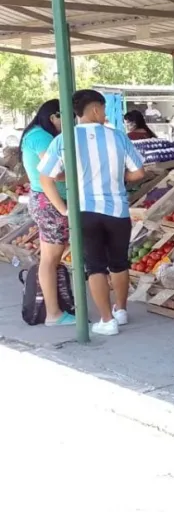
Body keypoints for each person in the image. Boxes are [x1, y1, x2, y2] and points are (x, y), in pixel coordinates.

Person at [38, 90, 146, 336]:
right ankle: (121, 310)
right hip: (117, 210)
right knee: (119, 262)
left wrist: (63, 209)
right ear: (95, 109)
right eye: (104, 109)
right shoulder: (117, 136)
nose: (105, 114)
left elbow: (47, 177)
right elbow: (139, 172)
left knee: (95, 267)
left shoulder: (64, 140)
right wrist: (118, 177)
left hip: (84, 211)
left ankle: (107, 321)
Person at [19, 99, 74, 327]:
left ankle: (54, 309)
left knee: (49, 259)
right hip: (50, 202)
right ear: (53, 117)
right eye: (66, 118)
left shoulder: (34, 134)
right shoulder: (42, 137)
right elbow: (54, 171)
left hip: (44, 201)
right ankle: (53, 313)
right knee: (51, 260)